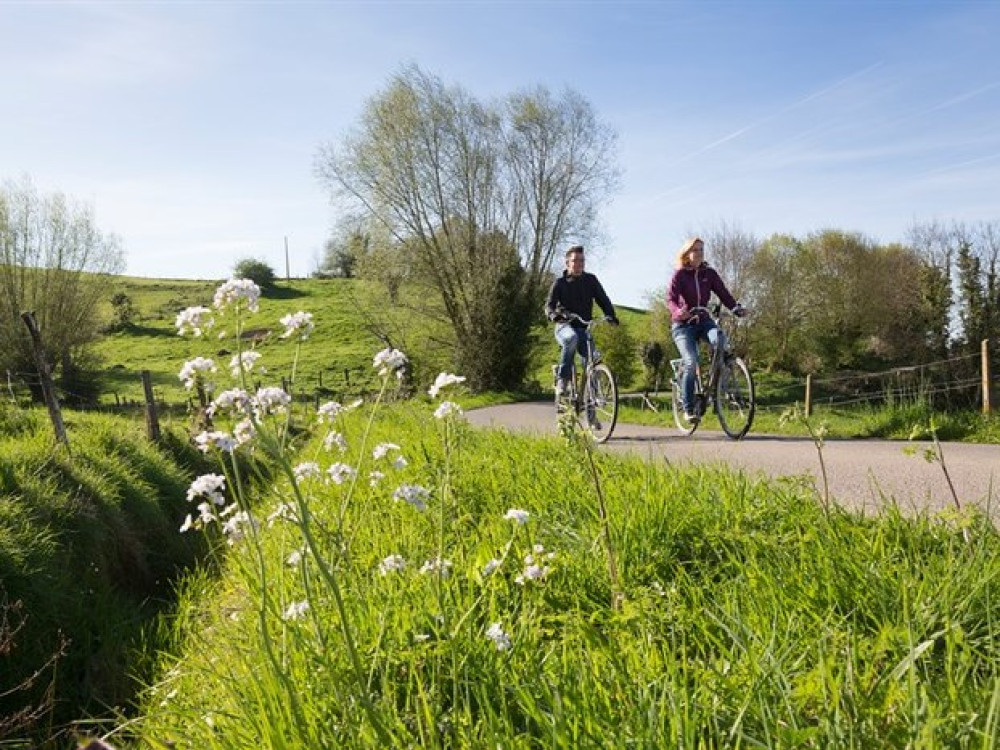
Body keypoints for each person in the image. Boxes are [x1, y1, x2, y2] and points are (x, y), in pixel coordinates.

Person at [667, 237, 748, 423]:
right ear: (687, 254)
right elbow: (670, 299)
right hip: (683, 326)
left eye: (702, 250)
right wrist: (679, 312)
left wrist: (736, 308)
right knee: (691, 361)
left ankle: (716, 384)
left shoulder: (708, 273)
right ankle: (688, 409)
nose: (699, 253)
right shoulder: (679, 275)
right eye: (695, 250)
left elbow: (723, 293)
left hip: (704, 321)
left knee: (721, 340)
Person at [545, 245, 619, 396]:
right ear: (567, 263)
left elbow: (603, 300)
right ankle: (562, 379)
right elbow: (549, 306)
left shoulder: (590, 280)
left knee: (593, 360)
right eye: (575, 260)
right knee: (571, 338)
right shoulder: (559, 283)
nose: (579, 263)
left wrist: (610, 316)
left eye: (582, 260)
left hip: (584, 329)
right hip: (564, 326)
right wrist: (554, 316)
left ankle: (591, 413)